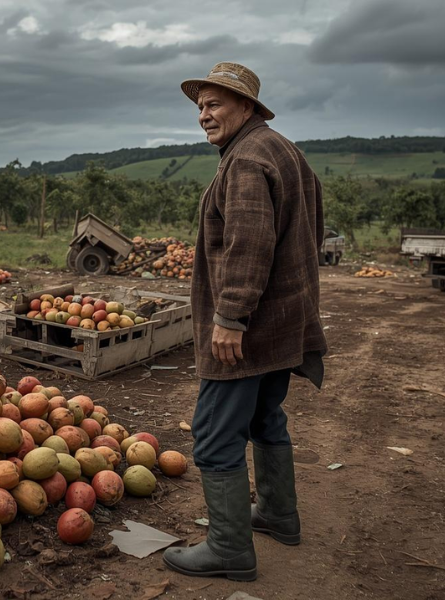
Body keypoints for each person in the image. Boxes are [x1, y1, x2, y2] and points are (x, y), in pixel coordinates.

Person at [162, 62, 327, 582]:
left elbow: (249, 242)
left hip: (249, 327)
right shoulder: (282, 150)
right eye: (200, 107)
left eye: (214, 104)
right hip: (281, 322)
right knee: (263, 416)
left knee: (214, 433)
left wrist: (231, 315)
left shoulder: (248, 159)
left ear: (247, 106)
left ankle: (229, 548)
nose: (203, 115)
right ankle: (278, 514)